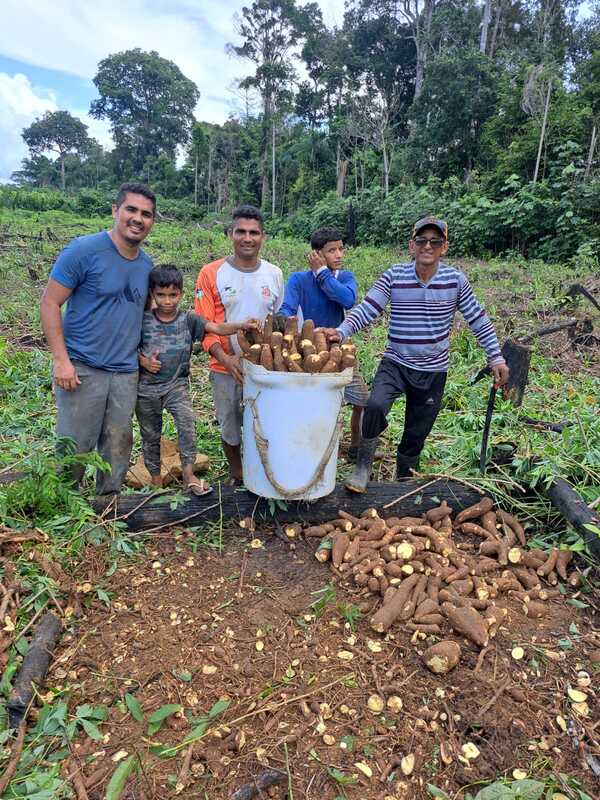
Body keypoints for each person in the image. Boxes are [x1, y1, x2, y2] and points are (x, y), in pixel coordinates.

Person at [328, 216, 509, 493]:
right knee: (375, 405)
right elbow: (368, 308)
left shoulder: (455, 281)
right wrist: (341, 332)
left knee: (417, 429)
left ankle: (404, 476)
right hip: (396, 361)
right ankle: (363, 465)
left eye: (435, 241)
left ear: (444, 247)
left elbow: (478, 319)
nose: (428, 246)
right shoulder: (394, 275)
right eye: (422, 240)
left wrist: (495, 357)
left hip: (433, 369)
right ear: (412, 245)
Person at [40, 182, 156, 494]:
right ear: (115, 210)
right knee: (75, 443)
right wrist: (61, 360)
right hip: (82, 367)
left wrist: (142, 355)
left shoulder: (147, 265)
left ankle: (109, 502)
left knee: (118, 443)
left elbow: (141, 315)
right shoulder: (83, 250)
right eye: (131, 209)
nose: (137, 218)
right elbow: (50, 303)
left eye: (146, 214)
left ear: (152, 222)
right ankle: (65, 502)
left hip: (125, 371)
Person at [136, 265, 259, 495]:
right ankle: (155, 478)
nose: (167, 301)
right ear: (152, 294)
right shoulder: (142, 321)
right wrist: (142, 361)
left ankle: (189, 474)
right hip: (146, 389)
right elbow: (127, 347)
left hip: (177, 385)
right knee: (150, 434)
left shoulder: (188, 320)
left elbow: (218, 327)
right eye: (161, 295)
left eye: (173, 295)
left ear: (181, 294)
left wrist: (242, 325)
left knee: (187, 426)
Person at [195, 205, 284, 484]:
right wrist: (225, 358)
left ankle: (265, 473)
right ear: (230, 234)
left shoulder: (274, 274)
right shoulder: (211, 273)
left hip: (266, 368)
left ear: (263, 237)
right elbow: (202, 324)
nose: (248, 238)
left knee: (266, 423)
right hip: (225, 366)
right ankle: (238, 474)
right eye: (241, 232)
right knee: (230, 426)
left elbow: (279, 322)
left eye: (254, 232)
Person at [279, 227, 369, 460]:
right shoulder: (299, 280)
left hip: (338, 347)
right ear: (317, 254)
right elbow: (287, 307)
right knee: (314, 400)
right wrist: (283, 320)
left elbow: (347, 299)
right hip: (308, 348)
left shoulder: (345, 277)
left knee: (361, 398)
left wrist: (321, 272)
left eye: (341, 249)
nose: (339, 254)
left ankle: (356, 445)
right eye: (332, 250)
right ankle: (312, 444)